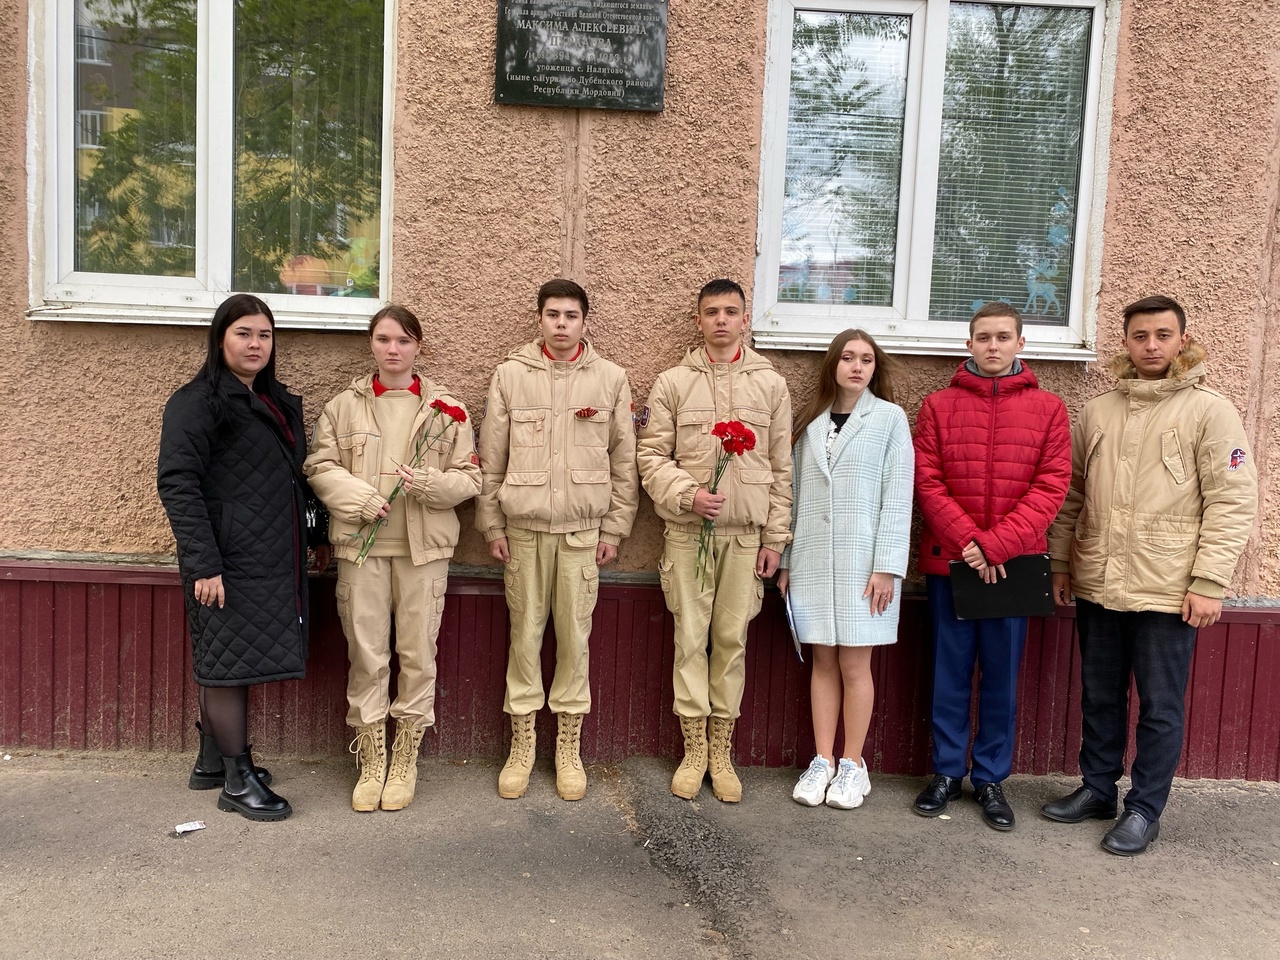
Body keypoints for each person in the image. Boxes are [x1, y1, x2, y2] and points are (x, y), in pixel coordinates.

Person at [1043, 295, 1257, 856]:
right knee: (1100, 695)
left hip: (1170, 588)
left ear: (1182, 340)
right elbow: (1074, 495)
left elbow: (1232, 500)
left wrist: (1210, 581)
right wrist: (1063, 560)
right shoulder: (1098, 412)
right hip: (1100, 580)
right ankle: (1097, 790)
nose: (1152, 346)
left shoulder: (1211, 411)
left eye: (1163, 335)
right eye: (1141, 336)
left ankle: (1144, 809)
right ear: (1127, 342)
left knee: (1160, 706)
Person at [157, 293, 327, 822]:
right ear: (221, 338)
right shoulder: (197, 401)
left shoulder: (272, 399)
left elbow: (297, 479)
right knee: (226, 665)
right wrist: (204, 562)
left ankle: (212, 760)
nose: (255, 345)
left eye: (264, 335)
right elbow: (177, 484)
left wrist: (315, 533)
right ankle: (237, 780)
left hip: (270, 556)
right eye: (244, 334)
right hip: (225, 560)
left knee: (236, 659)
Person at [305, 304, 481, 812]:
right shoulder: (344, 406)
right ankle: (372, 756)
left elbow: (470, 478)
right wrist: (359, 500)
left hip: (423, 552)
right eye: (384, 339)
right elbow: (320, 464)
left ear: (418, 347)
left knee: (416, 654)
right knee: (367, 654)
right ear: (371, 344)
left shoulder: (448, 410)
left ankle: (406, 754)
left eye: (403, 340)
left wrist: (428, 485)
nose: (393, 349)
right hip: (363, 549)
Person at [476, 279, 638, 801]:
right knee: (523, 638)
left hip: (581, 536)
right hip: (522, 533)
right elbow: (491, 456)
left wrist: (614, 527)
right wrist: (492, 525)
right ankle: (521, 747)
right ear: (540, 319)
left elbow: (624, 462)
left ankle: (568, 748)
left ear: (585, 321)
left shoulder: (610, 379)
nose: (562, 323)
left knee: (574, 640)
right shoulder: (510, 375)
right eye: (553, 314)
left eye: (571, 315)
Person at [912, 302, 1071, 830]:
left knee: (1000, 679)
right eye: (983, 337)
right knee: (949, 675)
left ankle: (990, 779)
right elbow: (927, 481)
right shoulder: (938, 406)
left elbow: (1052, 486)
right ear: (969, 344)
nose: (993, 346)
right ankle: (946, 773)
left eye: (1004, 337)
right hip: (951, 565)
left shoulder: (1049, 409)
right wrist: (968, 543)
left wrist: (998, 545)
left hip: (1014, 568)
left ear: (1021, 343)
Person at [637, 278, 793, 803]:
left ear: (744, 318)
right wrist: (686, 495)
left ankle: (721, 749)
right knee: (689, 642)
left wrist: (775, 538)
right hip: (687, 535)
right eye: (711, 312)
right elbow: (651, 457)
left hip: (746, 539)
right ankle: (693, 749)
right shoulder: (673, 382)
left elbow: (781, 467)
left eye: (731, 311)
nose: (721, 320)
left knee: (730, 644)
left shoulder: (770, 385)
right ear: (698, 319)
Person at [777, 330, 913, 809]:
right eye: (848, 358)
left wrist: (887, 567)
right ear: (832, 364)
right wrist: (789, 560)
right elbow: (794, 500)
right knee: (823, 661)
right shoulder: (809, 422)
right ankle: (822, 760)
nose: (857, 367)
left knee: (855, 663)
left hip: (864, 564)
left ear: (876, 368)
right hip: (813, 559)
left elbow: (898, 499)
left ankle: (853, 764)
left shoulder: (890, 420)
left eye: (867, 360)